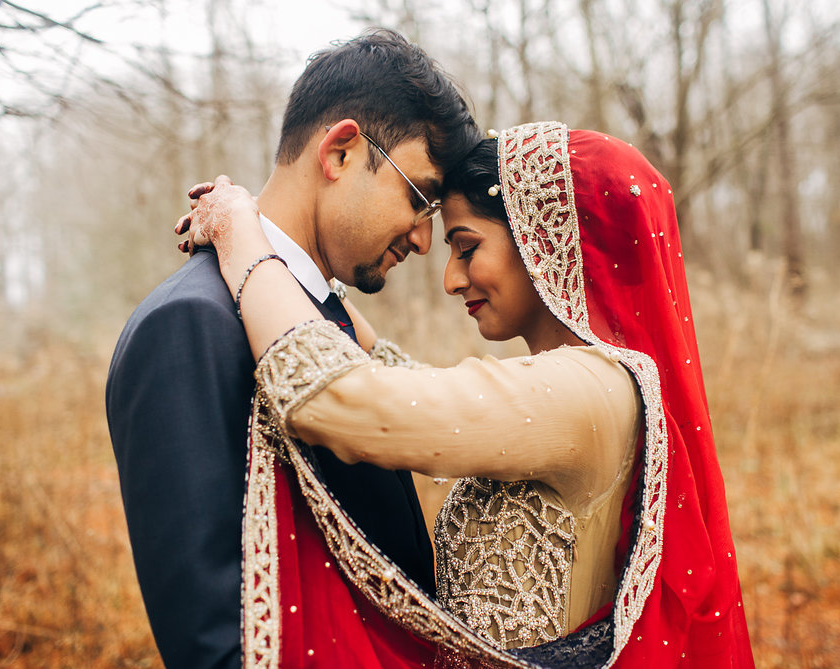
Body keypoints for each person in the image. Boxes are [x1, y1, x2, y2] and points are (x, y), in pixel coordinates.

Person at [181, 121, 755, 667]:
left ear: (545, 241)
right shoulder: (584, 382)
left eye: (466, 246)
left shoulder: (589, 390)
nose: (453, 278)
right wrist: (285, 245)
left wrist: (242, 240)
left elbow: (331, 396)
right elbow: (387, 370)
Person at [105, 29, 480, 668]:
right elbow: (213, 643)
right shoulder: (188, 327)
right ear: (340, 151)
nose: (424, 240)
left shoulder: (323, 314)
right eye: (419, 198)